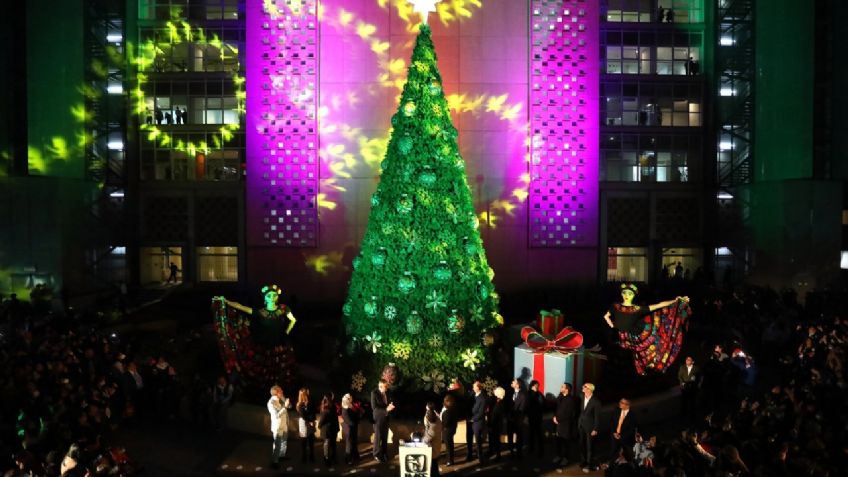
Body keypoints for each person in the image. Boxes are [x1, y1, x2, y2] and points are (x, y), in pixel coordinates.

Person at [603, 283, 691, 375]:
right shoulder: (615, 306)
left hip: (631, 339)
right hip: (618, 338)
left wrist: (675, 301)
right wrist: (612, 326)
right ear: (621, 294)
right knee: (615, 359)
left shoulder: (637, 309)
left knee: (629, 361)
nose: (626, 295)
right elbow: (606, 316)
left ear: (634, 295)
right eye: (624, 293)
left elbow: (658, 305)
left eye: (630, 293)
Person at [553, 383, 578, 467]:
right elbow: (557, 410)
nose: (561, 388)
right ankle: (559, 456)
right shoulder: (560, 397)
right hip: (558, 424)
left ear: (567, 389)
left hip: (566, 425)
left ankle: (566, 458)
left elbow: (569, 414)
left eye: (562, 387)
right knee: (558, 441)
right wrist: (555, 417)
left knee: (566, 443)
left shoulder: (570, 400)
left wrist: (558, 419)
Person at [578, 383, 601, 472]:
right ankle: (583, 461)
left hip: (590, 427)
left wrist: (595, 429)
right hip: (581, 425)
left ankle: (590, 463)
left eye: (584, 387)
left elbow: (597, 417)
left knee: (590, 446)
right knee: (581, 444)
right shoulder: (581, 396)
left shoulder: (596, 401)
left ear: (589, 389)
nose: (582, 387)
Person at [371, 379, 394, 463]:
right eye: (385, 387)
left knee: (385, 437)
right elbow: (374, 408)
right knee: (378, 437)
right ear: (380, 386)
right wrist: (386, 409)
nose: (387, 388)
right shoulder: (374, 393)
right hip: (378, 419)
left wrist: (391, 405)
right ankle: (376, 454)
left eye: (387, 386)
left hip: (386, 418)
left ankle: (384, 453)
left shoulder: (388, 392)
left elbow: (389, 401)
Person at [267, 385, 290, 469]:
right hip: (278, 426)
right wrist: (285, 406)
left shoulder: (281, 398)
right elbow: (277, 415)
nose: (282, 391)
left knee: (284, 441)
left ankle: (281, 456)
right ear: (276, 393)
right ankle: (275, 461)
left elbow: (289, 406)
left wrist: (287, 403)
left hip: (284, 424)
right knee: (277, 444)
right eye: (281, 391)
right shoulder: (271, 403)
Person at [609, 398, 636, 465]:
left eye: (622, 402)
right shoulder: (616, 411)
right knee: (614, 454)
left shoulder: (632, 415)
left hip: (625, 439)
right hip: (615, 437)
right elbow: (612, 422)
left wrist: (621, 436)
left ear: (627, 405)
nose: (620, 403)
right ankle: (613, 467)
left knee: (627, 456)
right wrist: (614, 433)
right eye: (620, 401)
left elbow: (631, 429)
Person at [507, 378, 527, 459]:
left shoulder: (523, 395)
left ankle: (519, 453)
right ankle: (511, 452)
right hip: (510, 419)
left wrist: (515, 418)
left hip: (518, 420)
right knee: (510, 436)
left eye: (514, 382)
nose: (512, 382)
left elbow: (522, 409)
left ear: (518, 385)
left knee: (519, 437)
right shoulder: (509, 393)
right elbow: (507, 406)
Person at [317, 394, 339, 466]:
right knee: (333, 445)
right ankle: (334, 458)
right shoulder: (333, 407)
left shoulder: (325, 409)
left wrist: (319, 426)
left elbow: (322, 421)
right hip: (334, 429)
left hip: (327, 430)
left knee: (326, 445)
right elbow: (336, 418)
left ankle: (327, 460)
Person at [677, 356, 699, 425]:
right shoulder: (682, 367)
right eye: (686, 359)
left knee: (692, 403)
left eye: (689, 360)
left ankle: (692, 417)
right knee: (684, 403)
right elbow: (679, 376)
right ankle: (683, 417)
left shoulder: (696, 369)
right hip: (684, 389)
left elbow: (697, 377)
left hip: (692, 389)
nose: (687, 360)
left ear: (692, 361)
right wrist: (682, 383)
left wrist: (693, 384)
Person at [296, 387, 316, 463]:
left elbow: (313, 411)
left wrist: (313, 420)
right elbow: (303, 415)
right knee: (304, 441)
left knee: (311, 440)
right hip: (304, 423)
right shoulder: (300, 404)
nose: (308, 394)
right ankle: (303, 457)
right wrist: (310, 421)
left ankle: (311, 456)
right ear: (303, 395)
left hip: (310, 422)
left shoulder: (310, 401)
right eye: (306, 393)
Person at [488, 386, 508, 461]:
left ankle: (498, 455)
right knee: (495, 440)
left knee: (496, 441)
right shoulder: (498, 402)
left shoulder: (499, 404)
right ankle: (496, 453)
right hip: (495, 425)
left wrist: (491, 424)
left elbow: (495, 415)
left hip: (496, 425)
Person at [470, 381, 487, 464]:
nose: (473, 388)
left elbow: (481, 413)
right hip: (474, 421)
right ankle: (477, 455)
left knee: (478, 441)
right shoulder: (474, 396)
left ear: (478, 388)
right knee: (476, 441)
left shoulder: (482, 398)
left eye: (474, 386)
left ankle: (481, 459)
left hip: (478, 423)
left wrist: (473, 419)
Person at [423, 401, 442, 475]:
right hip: (437, 445)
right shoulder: (437, 420)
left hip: (433, 449)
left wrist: (422, 439)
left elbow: (426, 439)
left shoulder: (432, 429)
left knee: (433, 467)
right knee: (435, 465)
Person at [341, 393, 360, 465]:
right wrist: (355, 423)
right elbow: (348, 420)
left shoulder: (350, 405)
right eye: (349, 398)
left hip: (353, 427)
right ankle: (348, 459)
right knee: (349, 444)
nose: (351, 399)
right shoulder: (345, 408)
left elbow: (355, 414)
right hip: (349, 428)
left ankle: (355, 456)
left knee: (354, 442)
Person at [526, 380, 544, 458]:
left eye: (538, 385)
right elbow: (527, 405)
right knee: (531, 433)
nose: (537, 386)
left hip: (537, 417)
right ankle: (531, 448)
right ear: (532, 386)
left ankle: (540, 450)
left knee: (538, 433)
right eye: (536, 385)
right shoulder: (528, 394)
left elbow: (542, 404)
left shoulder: (539, 394)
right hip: (531, 416)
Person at [440, 394, 458, 466]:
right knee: (450, 445)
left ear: (448, 402)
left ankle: (450, 461)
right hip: (451, 429)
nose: (444, 403)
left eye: (446, 401)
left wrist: (441, 424)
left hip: (448, 430)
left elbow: (446, 422)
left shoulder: (448, 410)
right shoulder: (451, 409)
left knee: (449, 446)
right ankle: (450, 460)